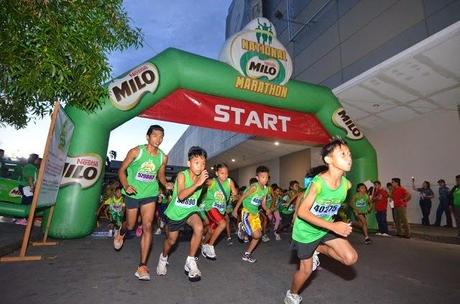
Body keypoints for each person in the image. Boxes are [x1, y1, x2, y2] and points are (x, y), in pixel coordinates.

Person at [284, 138, 357, 304]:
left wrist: (335, 224)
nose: (349, 158)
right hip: (306, 232)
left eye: (349, 154)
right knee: (306, 271)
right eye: (343, 154)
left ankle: (317, 248)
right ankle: (292, 293)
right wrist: (333, 226)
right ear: (328, 160)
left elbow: (331, 206)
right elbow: (302, 212)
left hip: (324, 228)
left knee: (350, 258)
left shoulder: (346, 184)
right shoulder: (318, 183)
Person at [115, 125, 172, 281]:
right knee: (131, 225)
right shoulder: (136, 151)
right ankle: (122, 230)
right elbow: (121, 170)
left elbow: (160, 175)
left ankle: (142, 266)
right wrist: (126, 185)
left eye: (161, 136)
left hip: (150, 193)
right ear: (148, 137)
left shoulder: (162, 157)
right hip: (132, 192)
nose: (158, 139)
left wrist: (165, 183)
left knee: (147, 226)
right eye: (155, 136)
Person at [156, 146, 208, 282]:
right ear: (189, 163)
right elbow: (181, 196)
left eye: (203, 163)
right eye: (197, 162)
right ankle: (163, 257)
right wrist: (198, 184)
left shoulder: (203, 178)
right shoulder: (182, 175)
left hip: (190, 210)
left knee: (199, 227)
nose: (200, 166)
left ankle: (190, 261)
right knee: (171, 241)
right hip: (176, 213)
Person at [233, 166, 270, 263]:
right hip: (247, 212)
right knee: (253, 234)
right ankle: (243, 228)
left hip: (255, 214)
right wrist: (235, 210)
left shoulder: (266, 190)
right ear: (257, 178)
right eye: (262, 177)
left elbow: (263, 204)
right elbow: (242, 197)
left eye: (266, 177)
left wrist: (267, 209)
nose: (265, 179)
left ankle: (247, 254)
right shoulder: (254, 187)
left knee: (258, 236)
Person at [201, 163, 238, 259]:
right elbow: (201, 183)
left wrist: (234, 196)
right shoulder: (212, 182)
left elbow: (234, 192)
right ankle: (210, 246)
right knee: (223, 224)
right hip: (211, 208)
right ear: (217, 173)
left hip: (221, 210)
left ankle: (203, 245)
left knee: (211, 231)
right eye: (222, 173)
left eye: (226, 173)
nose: (225, 175)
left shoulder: (229, 181)